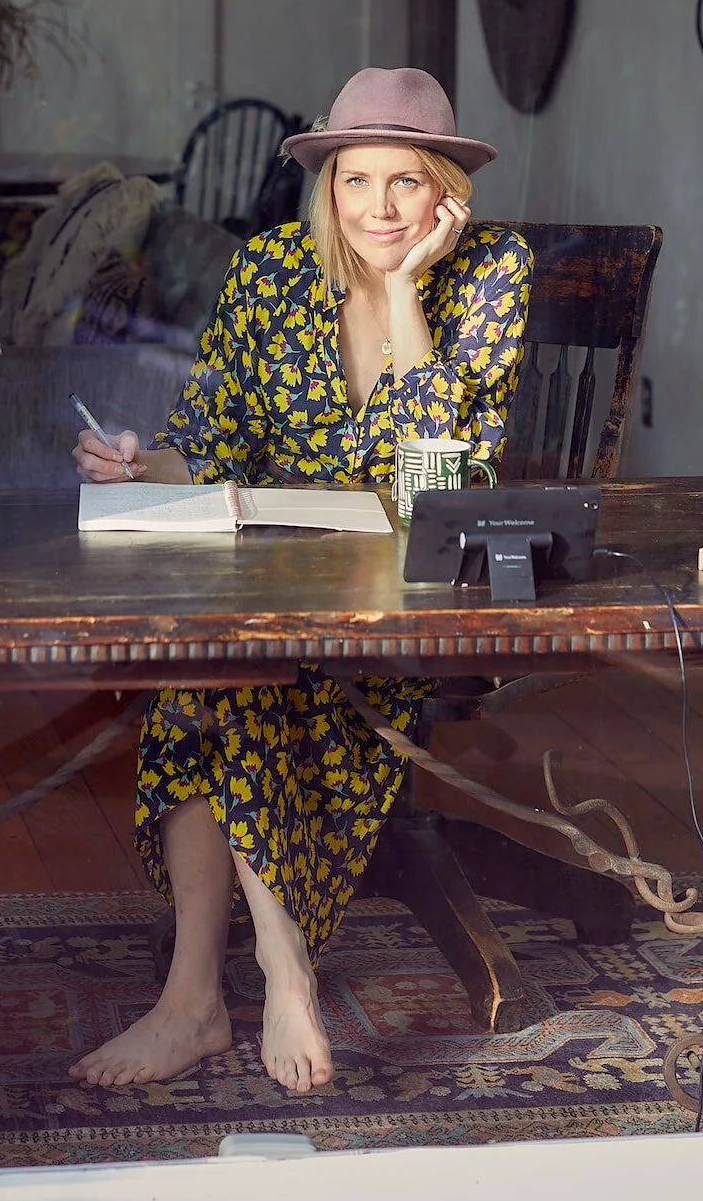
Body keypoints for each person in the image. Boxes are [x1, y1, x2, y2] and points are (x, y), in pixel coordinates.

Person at [69, 66, 531, 1096]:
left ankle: (215, 993)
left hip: (419, 594)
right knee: (210, 665)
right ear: (324, 185)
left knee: (216, 678)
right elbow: (213, 439)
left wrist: (407, 291)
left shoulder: (492, 269)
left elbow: (435, 480)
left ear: (446, 192)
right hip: (277, 577)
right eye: (354, 179)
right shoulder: (272, 268)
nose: (375, 207)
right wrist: (139, 462)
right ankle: (252, 978)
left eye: (403, 181)